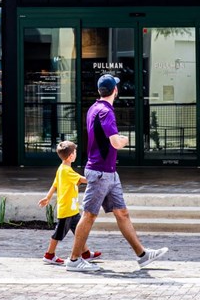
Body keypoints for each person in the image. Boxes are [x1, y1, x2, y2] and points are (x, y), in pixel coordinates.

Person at [65, 74, 168, 273]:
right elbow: (114, 142)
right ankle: (74, 260)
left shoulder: (94, 108)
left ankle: (142, 255)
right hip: (101, 173)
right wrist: (124, 140)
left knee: (122, 213)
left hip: (109, 173)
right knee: (89, 216)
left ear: (99, 91)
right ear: (115, 90)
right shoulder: (106, 112)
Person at [37, 139, 101, 265]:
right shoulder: (66, 171)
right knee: (58, 234)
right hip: (66, 210)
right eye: (75, 152)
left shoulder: (61, 169)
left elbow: (54, 184)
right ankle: (49, 255)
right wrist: (98, 177)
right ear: (71, 156)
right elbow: (83, 179)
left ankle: (86, 253)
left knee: (79, 230)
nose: (76, 154)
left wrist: (48, 197)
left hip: (72, 209)